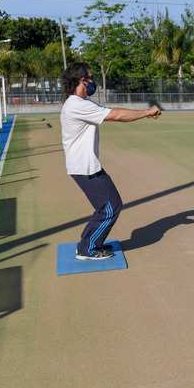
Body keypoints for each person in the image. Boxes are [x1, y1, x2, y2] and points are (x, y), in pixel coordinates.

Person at [60, 63, 162, 260]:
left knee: (107, 206)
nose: (93, 81)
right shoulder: (77, 104)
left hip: (85, 165)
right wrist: (146, 112)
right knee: (110, 207)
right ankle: (88, 249)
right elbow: (116, 115)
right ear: (82, 81)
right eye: (90, 77)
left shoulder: (78, 103)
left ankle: (87, 243)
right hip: (84, 167)